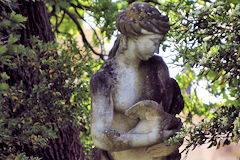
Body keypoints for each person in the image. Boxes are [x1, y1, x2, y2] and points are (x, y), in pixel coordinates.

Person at [90, 2, 184, 160]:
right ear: (135, 36)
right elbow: (99, 135)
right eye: (154, 42)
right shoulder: (105, 77)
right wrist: (149, 138)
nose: (157, 49)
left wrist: (172, 143)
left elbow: (169, 120)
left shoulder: (158, 67)